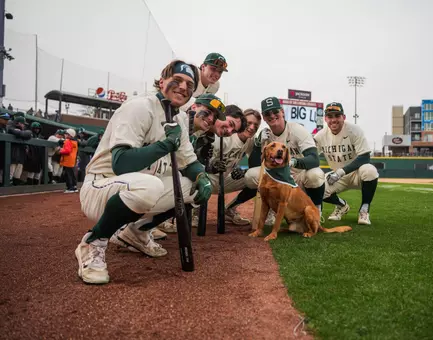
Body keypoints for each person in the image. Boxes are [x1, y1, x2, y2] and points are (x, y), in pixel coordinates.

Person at [75, 59, 213, 285]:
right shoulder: (139, 107)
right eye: (177, 80)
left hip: (135, 187)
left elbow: (189, 162)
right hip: (102, 186)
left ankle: (136, 232)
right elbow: (121, 164)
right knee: (151, 185)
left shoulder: (178, 118)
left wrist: (202, 176)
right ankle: (93, 241)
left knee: (192, 186)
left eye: (189, 84)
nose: (183, 87)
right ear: (161, 82)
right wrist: (165, 145)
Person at [243, 96, 325, 226]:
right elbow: (254, 166)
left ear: (282, 112)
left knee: (315, 174)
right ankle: (270, 210)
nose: (272, 115)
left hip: (296, 179)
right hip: (275, 179)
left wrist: (292, 162)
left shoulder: (297, 130)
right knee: (250, 175)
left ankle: (317, 210)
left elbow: (314, 159)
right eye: (267, 113)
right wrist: (259, 143)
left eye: (275, 111)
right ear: (264, 117)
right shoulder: (265, 135)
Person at [314, 102, 379, 225]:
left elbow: (365, 157)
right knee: (316, 187)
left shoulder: (354, 130)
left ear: (343, 117)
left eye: (337, 116)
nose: (333, 120)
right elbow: (311, 156)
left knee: (370, 170)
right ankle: (341, 205)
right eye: (330, 116)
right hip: (336, 177)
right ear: (325, 119)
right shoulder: (320, 136)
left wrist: (341, 172)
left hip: (357, 173)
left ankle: (364, 210)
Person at [59, 128, 79, 193]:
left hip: (67, 160)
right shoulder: (75, 142)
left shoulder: (68, 141)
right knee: (72, 174)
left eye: (66, 134)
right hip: (72, 160)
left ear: (69, 135)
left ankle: (70, 188)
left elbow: (67, 151)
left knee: (68, 175)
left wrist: (61, 150)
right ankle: (74, 187)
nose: (65, 135)